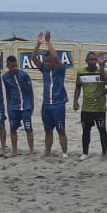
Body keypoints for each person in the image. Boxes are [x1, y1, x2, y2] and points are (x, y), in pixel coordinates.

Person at [30, 31, 70, 160]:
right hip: (46, 105)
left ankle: (64, 152)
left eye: (49, 61)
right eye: (45, 61)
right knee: (48, 130)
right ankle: (47, 151)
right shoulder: (44, 69)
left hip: (58, 104)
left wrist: (48, 42)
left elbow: (56, 58)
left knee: (60, 130)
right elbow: (33, 58)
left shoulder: (60, 69)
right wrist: (38, 43)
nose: (46, 63)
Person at [72, 51, 107, 161]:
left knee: (102, 130)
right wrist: (75, 101)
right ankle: (85, 153)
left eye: (95, 59)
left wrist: (101, 94)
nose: (93, 62)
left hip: (99, 108)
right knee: (86, 131)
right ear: (86, 61)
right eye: (91, 60)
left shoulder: (102, 72)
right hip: (86, 108)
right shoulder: (81, 72)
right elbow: (78, 87)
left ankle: (104, 153)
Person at [1, 55, 35, 157]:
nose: (14, 68)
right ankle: (14, 151)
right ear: (8, 66)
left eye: (16, 65)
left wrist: (32, 105)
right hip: (13, 107)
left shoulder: (24, 75)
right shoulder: (5, 77)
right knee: (13, 129)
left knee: (28, 128)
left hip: (25, 106)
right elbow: (7, 92)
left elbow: (30, 91)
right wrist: (8, 106)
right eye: (12, 66)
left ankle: (31, 151)